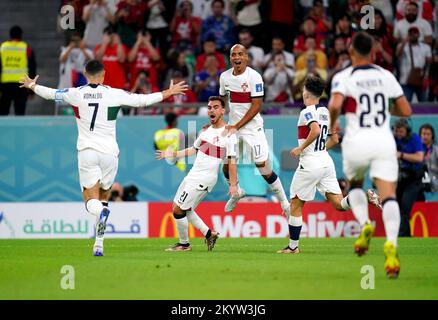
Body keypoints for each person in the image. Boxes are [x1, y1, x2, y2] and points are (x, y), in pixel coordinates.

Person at [19, 59, 188, 256]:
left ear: (85, 74)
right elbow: (141, 100)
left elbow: (51, 94)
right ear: (103, 75)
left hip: (87, 151)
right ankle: (98, 244)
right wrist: (168, 93)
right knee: (104, 196)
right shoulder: (114, 93)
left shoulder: (76, 93)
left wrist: (32, 85)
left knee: (90, 200)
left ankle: (100, 214)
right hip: (110, 153)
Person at [329, 32, 412, 278]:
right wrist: (385, 106)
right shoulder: (386, 76)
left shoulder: (344, 76)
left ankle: (366, 223)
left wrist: (334, 125)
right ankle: (392, 244)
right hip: (383, 141)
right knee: (388, 195)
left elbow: (334, 105)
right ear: (374, 52)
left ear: (351, 52)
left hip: (357, 142)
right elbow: (406, 110)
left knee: (355, 184)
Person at [277, 75, 380, 254]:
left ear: (307, 93)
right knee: (339, 204)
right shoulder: (325, 111)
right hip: (325, 161)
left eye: (303, 90)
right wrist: (318, 150)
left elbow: (315, 130)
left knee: (295, 205)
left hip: (310, 163)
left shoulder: (307, 111)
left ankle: (293, 247)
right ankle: (365, 195)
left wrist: (301, 149)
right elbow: (335, 139)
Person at [156, 96, 238, 251]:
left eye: (215, 107)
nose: (211, 110)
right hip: (193, 175)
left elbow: (232, 161)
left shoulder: (229, 134)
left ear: (223, 110)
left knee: (178, 210)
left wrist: (233, 185)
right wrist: (172, 154)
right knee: (180, 207)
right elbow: (193, 150)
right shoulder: (205, 131)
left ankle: (184, 244)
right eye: (209, 107)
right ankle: (209, 234)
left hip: (204, 178)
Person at [219, 44, 290, 216]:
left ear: (246, 58)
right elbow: (222, 101)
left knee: (263, 168)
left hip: (252, 129)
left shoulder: (255, 77)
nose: (237, 58)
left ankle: (284, 203)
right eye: (233, 55)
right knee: (226, 166)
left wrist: (237, 125)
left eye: (240, 54)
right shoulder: (224, 77)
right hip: (234, 129)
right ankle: (237, 193)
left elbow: (257, 106)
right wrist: (221, 123)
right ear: (230, 58)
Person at [394, 118, 424, 236]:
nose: (399, 134)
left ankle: (403, 234)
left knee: (406, 205)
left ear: (407, 130)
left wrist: (401, 155)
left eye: (401, 131)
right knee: (396, 205)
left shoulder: (414, 138)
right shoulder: (394, 138)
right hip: (400, 178)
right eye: (397, 131)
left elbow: (419, 157)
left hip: (413, 179)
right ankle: (402, 233)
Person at [0, 26, 37, 116]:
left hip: (5, 84)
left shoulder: (2, 47)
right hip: (22, 85)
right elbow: (32, 68)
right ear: (21, 35)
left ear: (10, 35)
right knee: (20, 113)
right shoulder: (26, 48)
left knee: (3, 113)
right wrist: (32, 89)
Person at [395, 26, 432, 102]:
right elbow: (397, 55)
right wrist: (404, 41)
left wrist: (426, 77)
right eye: (411, 34)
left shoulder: (426, 47)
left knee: (424, 103)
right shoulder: (403, 46)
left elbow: (429, 64)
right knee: (406, 103)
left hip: (421, 80)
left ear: (418, 35)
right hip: (406, 80)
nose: (413, 35)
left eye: (415, 33)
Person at [419, 124, 438, 195]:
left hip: (434, 185)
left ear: (432, 136)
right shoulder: (416, 152)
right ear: (420, 135)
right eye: (423, 134)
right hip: (418, 184)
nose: (425, 136)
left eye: (428, 134)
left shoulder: (436, 151)